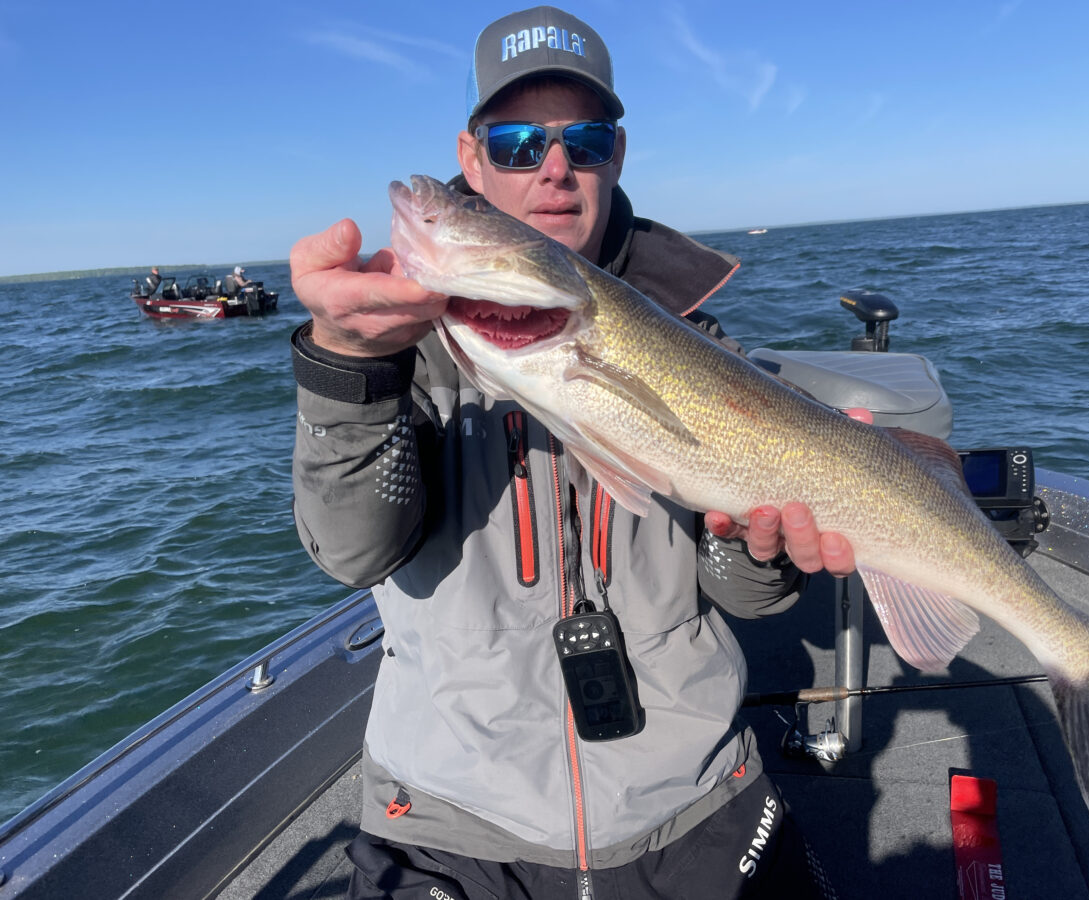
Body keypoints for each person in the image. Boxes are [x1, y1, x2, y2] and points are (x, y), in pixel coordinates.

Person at [289, 7, 863, 898]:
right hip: (451, 814)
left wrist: (748, 542)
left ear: (616, 158)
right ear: (472, 159)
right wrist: (351, 368)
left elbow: (749, 596)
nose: (554, 168)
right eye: (518, 143)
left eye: (583, 140)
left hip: (692, 790)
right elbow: (353, 550)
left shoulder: (700, 345)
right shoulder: (399, 346)